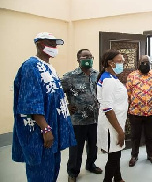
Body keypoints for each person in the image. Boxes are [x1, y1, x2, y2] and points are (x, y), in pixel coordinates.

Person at [12, 32, 77, 182]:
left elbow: (50, 96)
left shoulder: (49, 68)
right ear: (41, 45)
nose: (55, 47)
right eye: (51, 44)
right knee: (40, 174)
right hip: (39, 132)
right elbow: (31, 101)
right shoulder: (31, 66)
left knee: (52, 171)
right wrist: (45, 129)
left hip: (52, 129)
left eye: (56, 44)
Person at [61, 49, 102, 182]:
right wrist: (66, 106)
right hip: (78, 120)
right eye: (85, 56)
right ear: (78, 59)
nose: (88, 58)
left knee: (93, 145)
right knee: (76, 149)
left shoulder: (97, 74)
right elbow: (56, 93)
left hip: (95, 118)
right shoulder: (69, 77)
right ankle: (73, 171)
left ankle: (91, 165)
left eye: (90, 56)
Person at [126, 55, 152, 167]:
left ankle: (151, 155)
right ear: (138, 63)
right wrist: (127, 109)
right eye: (143, 62)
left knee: (150, 136)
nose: (145, 64)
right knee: (135, 136)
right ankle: (134, 155)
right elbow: (128, 94)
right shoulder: (131, 76)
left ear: (150, 63)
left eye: (147, 62)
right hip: (135, 113)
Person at [97, 49, 127, 182]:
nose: (122, 64)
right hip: (112, 126)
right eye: (119, 61)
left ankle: (118, 178)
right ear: (110, 63)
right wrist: (120, 132)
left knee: (116, 153)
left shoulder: (111, 77)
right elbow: (108, 109)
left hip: (116, 122)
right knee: (113, 158)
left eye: (122, 61)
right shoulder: (108, 80)